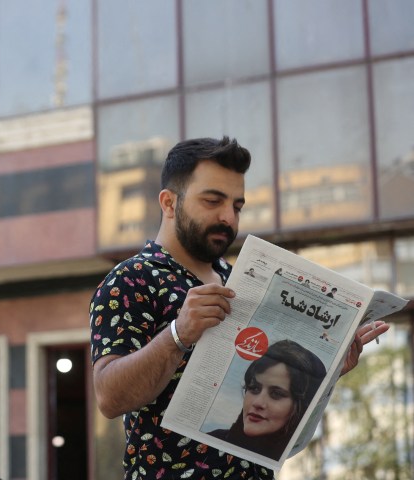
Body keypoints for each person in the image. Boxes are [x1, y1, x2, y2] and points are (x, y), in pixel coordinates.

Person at [89, 136, 388, 480]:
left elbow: (285, 438)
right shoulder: (131, 279)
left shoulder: (244, 280)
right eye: (213, 201)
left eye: (237, 206)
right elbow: (109, 397)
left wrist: (329, 372)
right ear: (169, 203)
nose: (227, 217)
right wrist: (177, 335)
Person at [207, 340, 326, 461]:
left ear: (300, 407)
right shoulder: (210, 439)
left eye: (276, 394)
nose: (258, 403)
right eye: (254, 388)